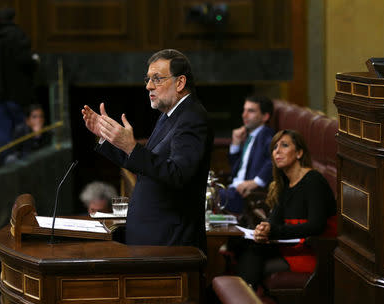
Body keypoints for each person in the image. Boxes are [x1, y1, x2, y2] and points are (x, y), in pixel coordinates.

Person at [82, 49, 213, 251]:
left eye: (157, 79)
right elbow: (145, 165)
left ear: (180, 83)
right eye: (148, 79)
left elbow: (178, 174)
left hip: (171, 243)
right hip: (154, 238)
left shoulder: (192, 118)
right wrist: (105, 137)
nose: (148, 86)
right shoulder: (170, 115)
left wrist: (132, 147)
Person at [233, 130, 336, 289]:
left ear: (299, 153)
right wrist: (264, 229)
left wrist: (274, 231)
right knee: (240, 244)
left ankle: (244, 302)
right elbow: (274, 221)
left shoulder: (314, 180)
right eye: (274, 147)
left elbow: (316, 225)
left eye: (284, 146)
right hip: (290, 248)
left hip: (311, 252)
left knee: (252, 254)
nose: (277, 151)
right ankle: (244, 300)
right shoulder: (285, 184)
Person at [0, 7, 38, 161]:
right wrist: (34, 61)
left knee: (1, 132)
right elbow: (25, 61)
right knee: (20, 130)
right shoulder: (17, 35)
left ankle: (5, 165)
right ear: (12, 19)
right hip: (15, 93)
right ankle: (21, 163)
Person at [218, 96, 274, 214]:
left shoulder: (267, 136)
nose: (244, 115)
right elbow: (235, 170)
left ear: (265, 116)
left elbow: (274, 159)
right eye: (244, 110)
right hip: (233, 190)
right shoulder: (249, 136)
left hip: (247, 195)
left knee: (204, 195)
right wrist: (235, 144)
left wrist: (256, 182)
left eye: (251, 111)